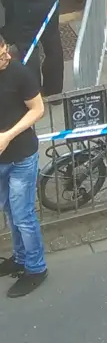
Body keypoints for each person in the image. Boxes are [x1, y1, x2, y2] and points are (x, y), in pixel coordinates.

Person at [0, 33, 47, 298]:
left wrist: (7, 135)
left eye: (4, 49)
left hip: (21, 157)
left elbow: (37, 109)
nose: (5, 57)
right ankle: (19, 258)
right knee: (10, 212)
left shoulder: (19, 74)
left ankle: (36, 268)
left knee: (23, 215)